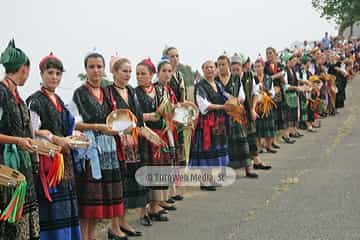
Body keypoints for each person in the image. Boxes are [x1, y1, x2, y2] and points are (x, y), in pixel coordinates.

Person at [69, 52, 127, 240]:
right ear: (86, 69)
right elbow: (74, 124)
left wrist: (120, 127)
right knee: (89, 196)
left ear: (104, 69)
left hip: (108, 148)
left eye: (99, 67)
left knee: (101, 196)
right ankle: (83, 237)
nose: (96, 70)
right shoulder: (79, 93)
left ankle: (92, 236)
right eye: (91, 67)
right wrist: (96, 126)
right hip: (89, 148)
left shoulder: (108, 93)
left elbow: (116, 117)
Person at [26, 53, 81, 240]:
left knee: (67, 207)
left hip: (65, 161)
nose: (54, 77)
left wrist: (74, 136)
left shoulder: (59, 101)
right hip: (47, 163)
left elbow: (67, 127)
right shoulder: (35, 100)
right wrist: (55, 138)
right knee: (52, 209)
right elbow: (32, 131)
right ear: (41, 73)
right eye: (50, 72)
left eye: (58, 73)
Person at [0, 39, 40, 240]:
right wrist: (17, 141)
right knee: (11, 220)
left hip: (22, 165)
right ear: (24, 68)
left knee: (24, 215)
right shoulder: (1, 93)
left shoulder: (15, 94)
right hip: (7, 168)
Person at [105, 56, 148, 237]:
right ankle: (113, 226)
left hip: (133, 143)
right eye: (124, 71)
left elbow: (138, 116)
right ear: (114, 72)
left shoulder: (131, 90)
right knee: (118, 184)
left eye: (130, 71)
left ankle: (123, 222)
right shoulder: (107, 92)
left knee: (128, 184)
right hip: (116, 144)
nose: (128, 75)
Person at [135, 58, 171, 223]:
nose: (139, 77)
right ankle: (143, 212)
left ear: (151, 75)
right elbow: (131, 115)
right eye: (138, 74)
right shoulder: (134, 93)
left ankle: (155, 206)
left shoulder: (159, 91)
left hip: (159, 135)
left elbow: (166, 112)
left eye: (143, 73)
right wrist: (149, 116)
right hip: (144, 136)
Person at [216, 54, 259, 178]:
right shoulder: (216, 81)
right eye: (219, 65)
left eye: (224, 64)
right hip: (221, 116)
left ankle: (248, 169)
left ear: (228, 65)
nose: (222, 67)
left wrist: (236, 101)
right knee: (224, 145)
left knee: (242, 141)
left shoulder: (235, 78)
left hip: (236, 115)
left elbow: (243, 96)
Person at [189, 60, 230, 190]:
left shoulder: (218, 84)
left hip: (219, 123)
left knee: (217, 150)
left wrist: (234, 103)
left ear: (216, 69)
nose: (210, 70)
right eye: (207, 68)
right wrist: (223, 107)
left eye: (212, 67)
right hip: (206, 123)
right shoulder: (200, 85)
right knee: (207, 152)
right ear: (203, 70)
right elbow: (203, 106)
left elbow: (226, 96)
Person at [241, 55, 272, 171]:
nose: (250, 65)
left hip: (249, 110)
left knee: (251, 136)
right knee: (243, 139)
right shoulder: (234, 77)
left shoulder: (250, 76)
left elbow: (255, 93)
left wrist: (252, 109)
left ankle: (256, 162)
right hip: (239, 111)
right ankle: (248, 165)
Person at [264, 47, 293, 145]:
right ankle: (274, 140)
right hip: (271, 93)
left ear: (275, 53)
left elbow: (284, 79)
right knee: (274, 117)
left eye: (270, 53)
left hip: (280, 91)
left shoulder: (279, 64)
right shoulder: (265, 66)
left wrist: (281, 77)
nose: (269, 55)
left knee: (283, 115)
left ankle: (286, 136)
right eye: (267, 53)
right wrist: (276, 76)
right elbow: (266, 79)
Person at [253, 59, 277, 153]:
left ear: (263, 67)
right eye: (256, 66)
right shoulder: (253, 79)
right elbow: (252, 92)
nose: (258, 68)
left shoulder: (268, 78)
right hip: (257, 105)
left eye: (259, 66)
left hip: (267, 104)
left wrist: (268, 94)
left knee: (269, 126)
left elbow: (272, 92)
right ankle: (259, 146)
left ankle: (269, 145)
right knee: (258, 127)